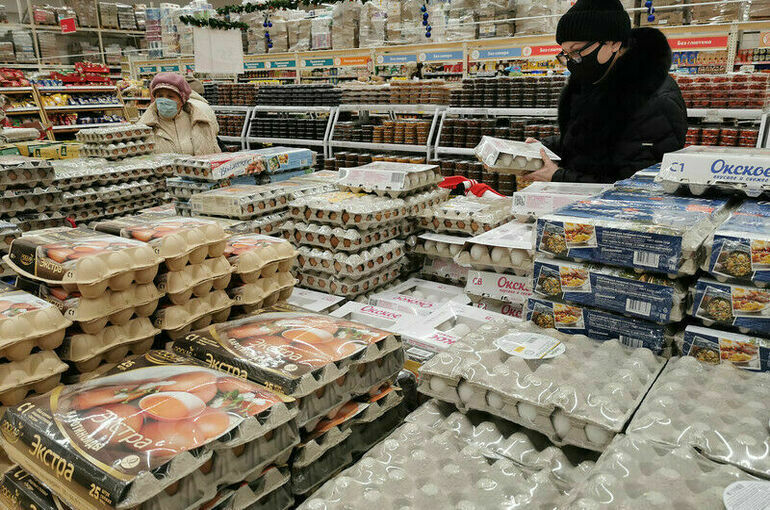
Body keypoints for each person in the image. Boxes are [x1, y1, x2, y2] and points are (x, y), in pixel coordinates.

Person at [527, 0, 687, 183]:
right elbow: (589, 142)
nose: (571, 62)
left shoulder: (653, 100)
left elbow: (637, 184)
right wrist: (545, 148)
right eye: (566, 54)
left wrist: (558, 176)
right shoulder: (597, 84)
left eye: (576, 51)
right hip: (582, 199)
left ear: (613, 43)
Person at [139, 72, 219, 155]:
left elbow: (213, 155)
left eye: (170, 96)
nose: (164, 100)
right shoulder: (144, 128)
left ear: (182, 100)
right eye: (160, 96)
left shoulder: (199, 123)